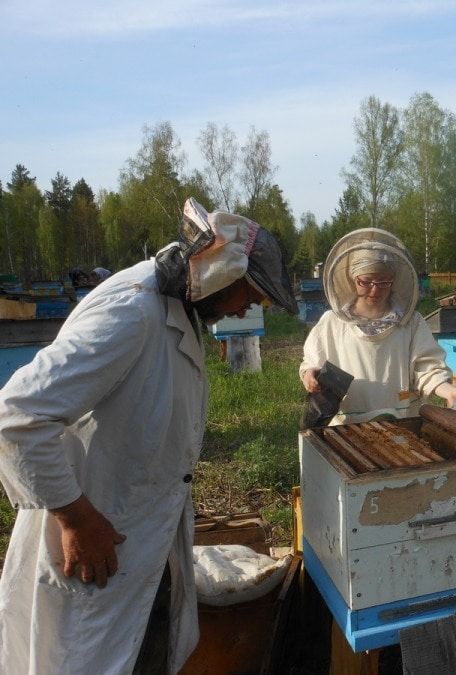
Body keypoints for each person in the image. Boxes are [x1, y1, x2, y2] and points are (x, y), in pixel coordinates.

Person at [0, 197, 298, 674]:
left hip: (140, 539)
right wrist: (75, 518)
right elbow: (17, 415)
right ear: (222, 272)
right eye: (251, 292)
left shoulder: (175, 306)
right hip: (98, 544)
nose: (250, 306)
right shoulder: (131, 312)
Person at [299, 228, 456, 424]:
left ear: (393, 281)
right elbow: (312, 362)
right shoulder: (332, 323)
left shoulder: (410, 322)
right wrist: (309, 374)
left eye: (383, 282)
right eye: (366, 281)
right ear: (353, 280)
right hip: (347, 426)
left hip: (402, 422)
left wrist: (448, 391)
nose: (374, 289)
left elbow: (427, 368)